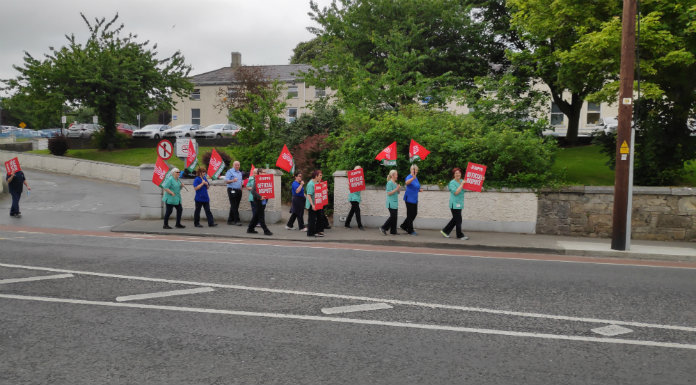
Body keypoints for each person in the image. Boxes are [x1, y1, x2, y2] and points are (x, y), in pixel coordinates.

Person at [441, 167, 469, 240]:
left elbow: (472, 185)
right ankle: (459, 235)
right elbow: (456, 192)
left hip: (460, 203)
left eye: (459, 173)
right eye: (456, 173)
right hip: (454, 204)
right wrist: (462, 184)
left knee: (455, 219)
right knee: (458, 219)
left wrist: (481, 180)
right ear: (454, 175)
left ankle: (445, 231)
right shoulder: (452, 183)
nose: (458, 174)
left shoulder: (462, 181)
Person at [246, 168, 272, 236]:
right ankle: (266, 230)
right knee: (261, 215)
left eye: (265, 172)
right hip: (258, 200)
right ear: (259, 173)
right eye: (263, 172)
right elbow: (253, 191)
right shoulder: (257, 180)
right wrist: (260, 197)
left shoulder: (266, 180)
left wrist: (267, 197)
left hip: (263, 200)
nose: (265, 173)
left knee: (256, 215)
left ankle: (250, 229)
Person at [400, 164, 423, 235]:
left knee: (414, 213)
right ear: (412, 170)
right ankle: (410, 230)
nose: (417, 172)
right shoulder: (409, 177)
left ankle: (404, 225)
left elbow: (415, 186)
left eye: (417, 171)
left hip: (414, 198)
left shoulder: (416, 178)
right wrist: (413, 178)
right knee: (410, 215)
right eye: (416, 170)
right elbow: (407, 183)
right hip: (409, 198)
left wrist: (419, 190)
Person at [379, 169, 400, 235]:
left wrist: (398, 189)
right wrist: (396, 189)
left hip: (395, 202)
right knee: (393, 217)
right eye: (396, 174)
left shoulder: (395, 183)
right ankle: (383, 228)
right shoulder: (389, 183)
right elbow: (389, 193)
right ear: (393, 175)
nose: (397, 176)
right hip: (390, 203)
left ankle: (393, 231)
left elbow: (397, 192)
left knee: (395, 217)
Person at [305, 169, 325, 237]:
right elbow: (309, 195)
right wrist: (312, 205)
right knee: (312, 219)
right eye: (320, 175)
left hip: (318, 203)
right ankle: (310, 233)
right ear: (316, 176)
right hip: (312, 204)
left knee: (320, 217)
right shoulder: (311, 184)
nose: (321, 176)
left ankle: (317, 231)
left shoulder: (316, 182)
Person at [344, 165, 364, 230]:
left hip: (356, 197)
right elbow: (349, 188)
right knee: (357, 211)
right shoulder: (352, 178)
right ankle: (360, 225)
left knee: (352, 211)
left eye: (359, 169)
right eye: (358, 170)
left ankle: (347, 223)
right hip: (353, 198)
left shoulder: (360, 178)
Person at [224, 161, 243, 225]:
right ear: (233, 165)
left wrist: (240, 188)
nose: (237, 166)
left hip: (238, 190)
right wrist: (233, 180)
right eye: (236, 165)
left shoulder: (240, 173)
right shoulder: (230, 172)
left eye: (238, 165)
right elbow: (226, 181)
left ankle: (230, 220)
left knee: (235, 206)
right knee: (234, 205)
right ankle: (237, 220)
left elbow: (240, 182)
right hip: (231, 190)